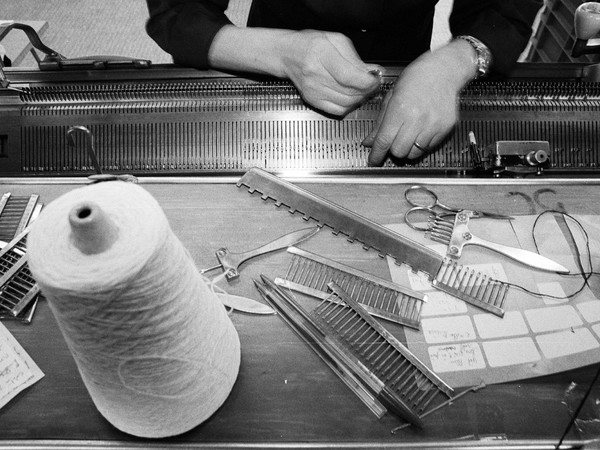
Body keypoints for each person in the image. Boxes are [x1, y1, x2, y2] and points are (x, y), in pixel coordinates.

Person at [145, 0, 541, 166]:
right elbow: (178, 12)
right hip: (271, 61)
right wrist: (283, 52)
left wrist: (456, 61)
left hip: (408, 66)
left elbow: (506, 8)